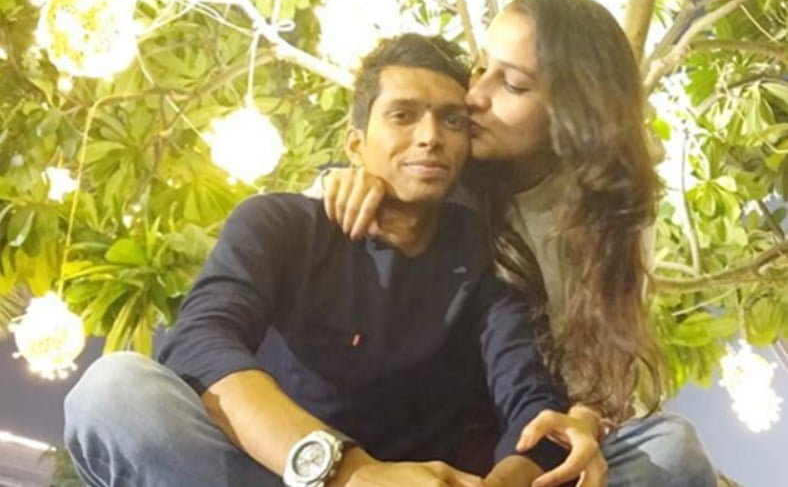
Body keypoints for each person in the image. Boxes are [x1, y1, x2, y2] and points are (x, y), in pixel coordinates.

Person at [63, 33, 573, 487]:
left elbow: (532, 399)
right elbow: (200, 343)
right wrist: (349, 472)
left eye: (452, 120)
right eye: (402, 115)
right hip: (274, 471)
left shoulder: (485, 259)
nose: (430, 136)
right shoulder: (281, 224)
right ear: (355, 144)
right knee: (115, 392)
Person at [315, 0, 718, 486]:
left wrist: (582, 423)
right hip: (407, 439)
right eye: (480, 67)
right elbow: (305, 232)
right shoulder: (443, 169)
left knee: (670, 450)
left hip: (529, 445)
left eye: (513, 84)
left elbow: (605, 366)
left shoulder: (614, 216)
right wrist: (355, 179)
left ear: (574, 109)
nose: (475, 97)